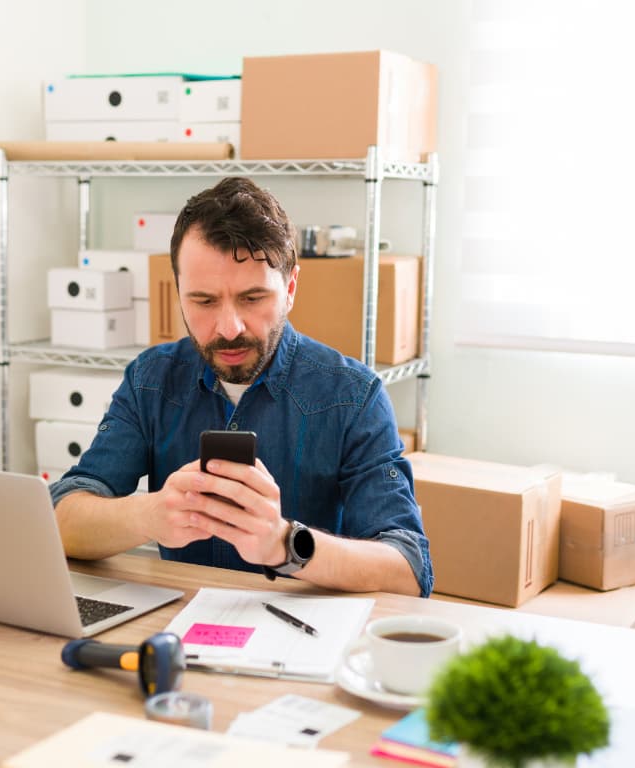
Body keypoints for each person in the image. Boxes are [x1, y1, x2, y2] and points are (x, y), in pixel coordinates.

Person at [50, 177, 433, 597]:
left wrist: (284, 543)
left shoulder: (354, 396)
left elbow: (409, 569)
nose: (228, 328)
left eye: (252, 299)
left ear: (289, 289)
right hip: (179, 628)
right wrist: (149, 513)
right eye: (204, 301)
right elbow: (62, 516)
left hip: (302, 637)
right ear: (177, 291)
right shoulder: (150, 380)